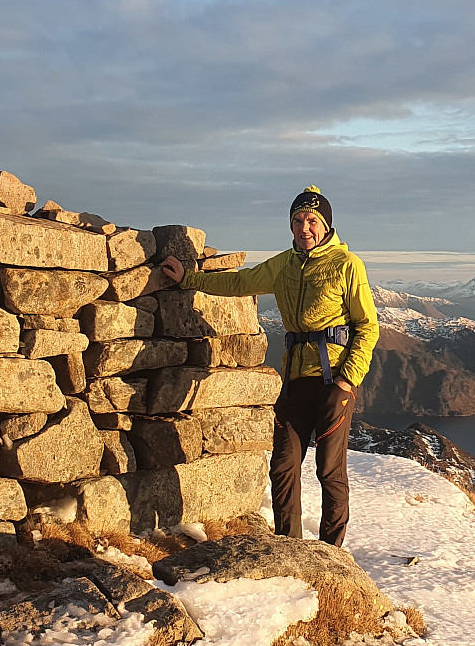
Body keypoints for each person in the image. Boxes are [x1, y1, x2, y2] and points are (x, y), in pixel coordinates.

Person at [159, 186, 378, 547]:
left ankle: (330, 554)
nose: (304, 228)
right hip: (294, 382)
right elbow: (238, 282)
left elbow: (367, 326)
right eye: (297, 220)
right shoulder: (283, 265)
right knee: (283, 466)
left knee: (329, 471)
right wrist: (188, 278)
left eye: (312, 220)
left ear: (325, 226)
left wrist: (347, 380)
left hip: (333, 382)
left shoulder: (346, 266)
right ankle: (289, 546)